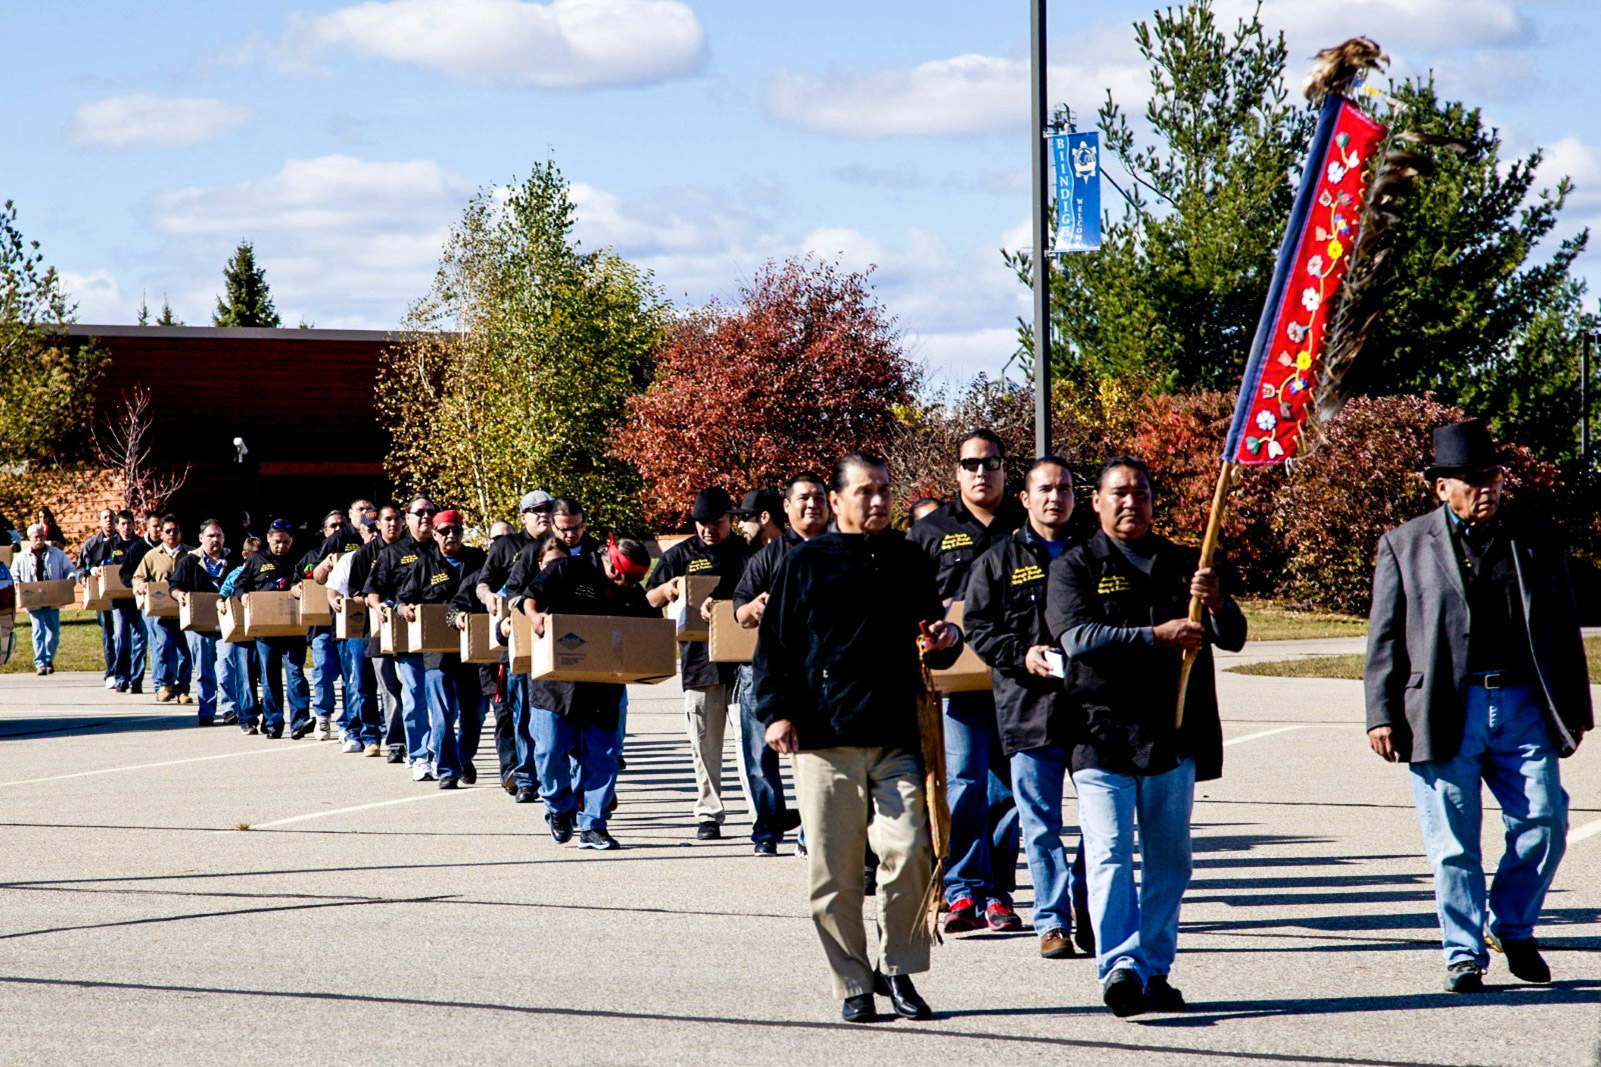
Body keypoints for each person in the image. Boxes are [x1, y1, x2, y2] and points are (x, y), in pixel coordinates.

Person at [1365, 419, 1592, 993]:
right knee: (1454, 845)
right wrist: (1380, 712)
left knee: (1545, 820)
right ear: (1441, 486)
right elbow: (1385, 636)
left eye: (1491, 475)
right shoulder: (1404, 544)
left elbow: (1564, 628)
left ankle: (1510, 925)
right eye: (1470, 478)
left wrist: (1574, 708)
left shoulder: (1534, 537)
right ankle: (1463, 953)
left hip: (1520, 705)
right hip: (1444, 706)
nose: (1485, 487)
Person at [753, 452, 960, 1023]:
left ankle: (899, 969)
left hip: (897, 733)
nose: (878, 501)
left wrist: (947, 636)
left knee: (911, 849)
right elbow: (773, 648)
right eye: (865, 492)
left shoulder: (907, 557)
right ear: (838, 500)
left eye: (885, 491)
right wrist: (775, 713)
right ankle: (852, 981)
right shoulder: (805, 563)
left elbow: (934, 631)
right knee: (834, 871)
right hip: (824, 737)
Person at [1045, 456, 1246, 1017]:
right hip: (1101, 736)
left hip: (1171, 738)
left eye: (1141, 493)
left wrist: (1218, 602)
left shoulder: (1188, 561)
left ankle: (1155, 969)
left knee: (1170, 862)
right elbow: (1077, 637)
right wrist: (1155, 637)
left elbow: (1234, 638)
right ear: (1098, 503)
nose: (1131, 502)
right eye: (1119, 493)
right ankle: (1119, 968)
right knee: (1108, 857)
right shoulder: (1076, 565)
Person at [963, 456, 1090, 959]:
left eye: (1063, 488)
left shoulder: (1093, 554)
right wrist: (1022, 654)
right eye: (1044, 489)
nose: (1054, 497)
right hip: (1028, 709)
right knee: (1040, 825)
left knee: (1103, 823)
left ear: (1075, 497)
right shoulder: (997, 561)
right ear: (1025, 498)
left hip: (1091, 712)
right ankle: (1053, 923)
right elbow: (978, 627)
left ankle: (1089, 907)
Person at [907, 427, 1024, 933]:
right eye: (972, 464)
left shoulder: (1026, 524)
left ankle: (997, 892)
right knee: (964, 782)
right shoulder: (931, 531)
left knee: (1007, 790)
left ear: (1004, 469)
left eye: (991, 463)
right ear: (957, 472)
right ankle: (961, 890)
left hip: (1019, 677)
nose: (982, 472)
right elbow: (905, 594)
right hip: (955, 680)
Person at [511, 534, 658, 850]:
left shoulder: (633, 591)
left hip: (603, 685)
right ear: (616, 568)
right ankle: (558, 807)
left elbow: (651, 627)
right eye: (631, 578)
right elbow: (529, 598)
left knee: (602, 758)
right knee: (549, 752)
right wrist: (536, 618)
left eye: (638, 580)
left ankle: (594, 825)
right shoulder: (568, 569)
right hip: (555, 684)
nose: (634, 585)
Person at [729, 473, 829, 856]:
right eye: (803, 497)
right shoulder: (768, 557)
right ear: (786, 507)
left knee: (818, 756)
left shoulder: (842, 548)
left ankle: (812, 831)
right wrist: (754, 607)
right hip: (769, 671)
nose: (812, 504)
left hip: (824, 673)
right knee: (760, 755)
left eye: (819, 497)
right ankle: (767, 829)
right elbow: (739, 609)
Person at [646, 487, 750, 840]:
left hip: (743, 665)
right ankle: (709, 812)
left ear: (730, 520)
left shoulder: (748, 552)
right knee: (704, 743)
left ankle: (760, 812)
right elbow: (648, 599)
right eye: (702, 523)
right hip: (699, 664)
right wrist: (668, 589)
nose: (709, 530)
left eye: (716, 523)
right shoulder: (680, 555)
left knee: (748, 743)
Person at [395, 509, 487, 788]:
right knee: (444, 715)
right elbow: (402, 599)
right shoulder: (424, 565)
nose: (451, 536)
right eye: (444, 531)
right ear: (434, 535)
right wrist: (404, 609)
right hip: (438, 654)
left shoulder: (479, 560)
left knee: (476, 714)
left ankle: (462, 756)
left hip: (475, 649)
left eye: (456, 530)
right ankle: (447, 770)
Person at [476, 489, 555, 799]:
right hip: (517, 639)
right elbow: (483, 583)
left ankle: (549, 773)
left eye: (548, 507)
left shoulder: (561, 544)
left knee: (549, 713)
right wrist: (490, 600)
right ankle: (523, 777)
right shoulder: (507, 547)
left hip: (554, 638)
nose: (543, 513)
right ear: (523, 516)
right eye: (536, 509)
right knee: (518, 712)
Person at [364, 496, 437, 774]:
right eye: (420, 512)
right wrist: (380, 607)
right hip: (407, 635)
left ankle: (437, 750)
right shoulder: (392, 554)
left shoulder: (443, 550)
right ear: (407, 518)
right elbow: (373, 593)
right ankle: (419, 754)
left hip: (443, 636)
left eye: (431, 512)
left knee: (443, 703)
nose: (426, 517)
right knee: (415, 694)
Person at [331, 504, 403, 756]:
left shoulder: (409, 550)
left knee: (400, 686)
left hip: (405, 623)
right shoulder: (360, 556)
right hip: (368, 627)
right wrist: (377, 599)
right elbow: (354, 594)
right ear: (363, 529)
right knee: (365, 684)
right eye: (370, 527)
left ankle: (399, 739)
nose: (374, 531)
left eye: (377, 525)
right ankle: (370, 735)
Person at [238, 518, 313, 740]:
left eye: (286, 542)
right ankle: (273, 722)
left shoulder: (299, 559)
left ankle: (299, 721)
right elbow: (240, 583)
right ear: (269, 539)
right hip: (266, 630)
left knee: (296, 674)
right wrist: (242, 596)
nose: (282, 546)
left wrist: (300, 587)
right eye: (277, 541)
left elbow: (309, 581)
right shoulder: (256, 559)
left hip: (293, 629)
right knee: (270, 678)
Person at [170, 519, 240, 727]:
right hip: (199, 625)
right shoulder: (189, 561)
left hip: (226, 623)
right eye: (210, 536)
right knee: (204, 669)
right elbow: (173, 586)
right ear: (201, 538)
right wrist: (180, 595)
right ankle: (207, 711)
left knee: (227, 665)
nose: (215, 540)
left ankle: (229, 709)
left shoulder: (233, 560)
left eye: (218, 535)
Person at [131, 515, 194, 704]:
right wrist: (141, 586)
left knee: (186, 651)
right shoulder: (152, 556)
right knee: (165, 645)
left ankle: (183, 689)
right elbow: (137, 578)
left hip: (184, 611)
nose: (171, 534)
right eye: (167, 531)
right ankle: (164, 685)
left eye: (175, 531)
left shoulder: (191, 555)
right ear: (161, 534)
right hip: (161, 611)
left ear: (181, 533)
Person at [301, 509, 348, 740]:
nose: (337, 530)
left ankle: (348, 721)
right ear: (324, 530)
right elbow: (297, 582)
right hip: (321, 626)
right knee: (322, 672)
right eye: (333, 526)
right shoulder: (312, 556)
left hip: (349, 624)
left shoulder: (354, 552)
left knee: (351, 676)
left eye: (342, 525)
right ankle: (323, 716)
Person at [13, 523, 79, 675]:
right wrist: (16, 580)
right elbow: (13, 573)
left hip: (52, 598)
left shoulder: (56, 553)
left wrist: (71, 577)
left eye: (42, 536)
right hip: (33, 598)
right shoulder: (22, 557)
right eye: (36, 537)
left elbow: (70, 569)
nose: (40, 539)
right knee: (38, 631)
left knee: (54, 632)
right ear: (30, 538)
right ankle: (40, 663)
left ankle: (49, 659)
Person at [218, 536, 264, 731]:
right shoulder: (237, 573)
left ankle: (268, 713)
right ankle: (248, 716)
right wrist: (221, 602)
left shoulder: (265, 571)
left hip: (263, 629)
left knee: (265, 674)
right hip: (242, 632)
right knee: (245, 674)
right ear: (245, 555)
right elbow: (223, 593)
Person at [114, 509, 161, 695]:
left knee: (141, 641)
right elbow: (125, 574)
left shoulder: (162, 547)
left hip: (147, 603)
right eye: (154, 526)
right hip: (123, 602)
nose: (158, 531)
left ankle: (136, 680)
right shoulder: (137, 548)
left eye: (129, 523)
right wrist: (136, 584)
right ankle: (121, 677)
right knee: (122, 639)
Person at [79, 508, 120, 688]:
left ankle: (124, 672)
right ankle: (111, 672)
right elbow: (80, 569)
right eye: (105, 518)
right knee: (109, 635)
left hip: (122, 596)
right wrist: (89, 572)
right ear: (100, 522)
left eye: (112, 517)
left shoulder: (123, 543)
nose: (109, 520)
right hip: (102, 599)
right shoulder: (91, 545)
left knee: (123, 636)